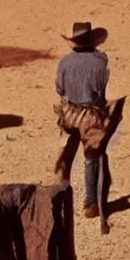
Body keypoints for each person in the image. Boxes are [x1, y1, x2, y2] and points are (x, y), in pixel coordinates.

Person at [53, 22, 111, 219]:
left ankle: (58, 199)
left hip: (69, 113)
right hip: (91, 115)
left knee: (65, 156)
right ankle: (91, 203)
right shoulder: (101, 61)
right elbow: (102, 90)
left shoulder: (64, 62)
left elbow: (59, 89)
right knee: (92, 157)